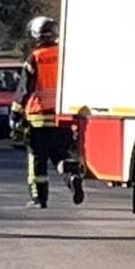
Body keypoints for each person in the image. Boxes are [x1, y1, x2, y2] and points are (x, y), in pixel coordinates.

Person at [17, 16, 85, 209]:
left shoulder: (35, 57)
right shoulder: (65, 56)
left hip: (38, 117)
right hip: (61, 117)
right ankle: (72, 177)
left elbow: (24, 89)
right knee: (60, 154)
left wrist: (15, 113)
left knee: (37, 158)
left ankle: (40, 198)